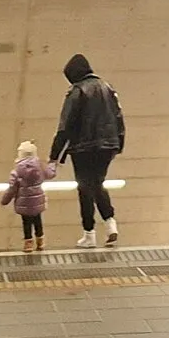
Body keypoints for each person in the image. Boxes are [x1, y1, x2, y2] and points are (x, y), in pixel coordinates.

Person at [50, 53, 124, 247]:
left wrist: (54, 155)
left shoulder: (76, 91)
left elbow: (65, 125)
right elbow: (118, 117)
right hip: (108, 144)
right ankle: (111, 225)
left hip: (84, 148)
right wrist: (118, 143)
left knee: (84, 187)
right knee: (98, 183)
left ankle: (89, 234)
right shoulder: (108, 88)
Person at [1, 140, 53, 252]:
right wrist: (53, 164)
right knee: (38, 220)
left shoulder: (16, 171)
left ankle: (28, 244)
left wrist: (5, 200)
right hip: (37, 200)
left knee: (26, 222)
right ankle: (40, 242)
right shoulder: (40, 167)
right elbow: (50, 174)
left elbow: (12, 188)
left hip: (23, 202)